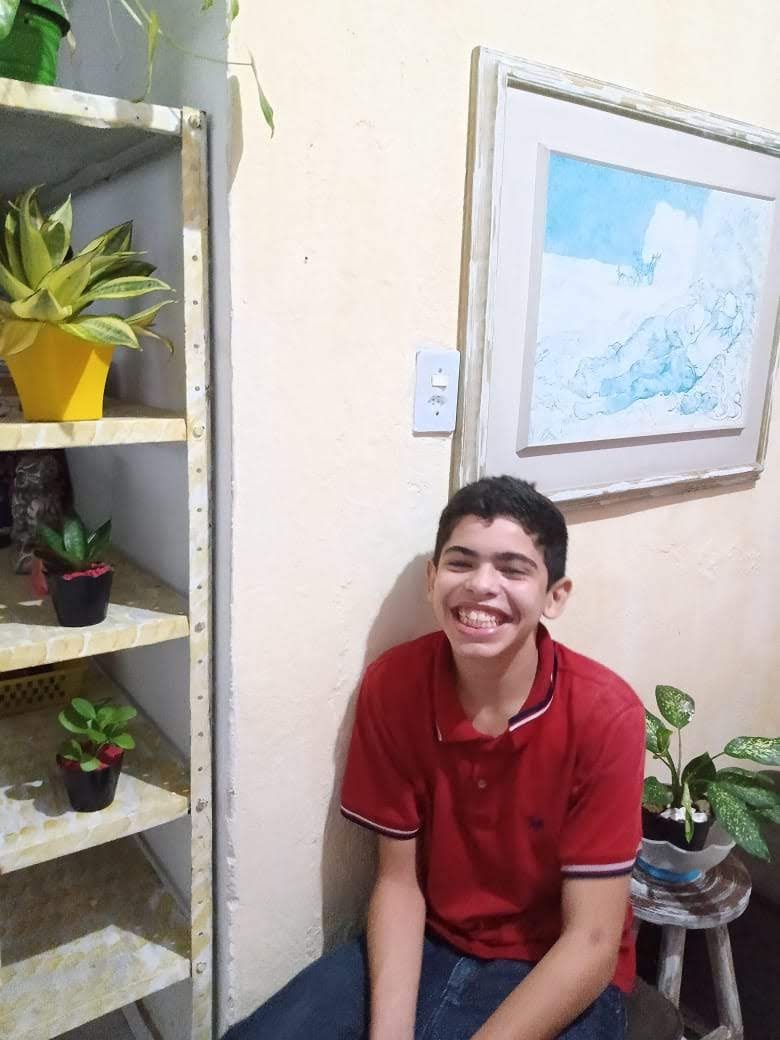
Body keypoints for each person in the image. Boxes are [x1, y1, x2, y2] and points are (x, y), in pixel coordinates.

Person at [225, 475, 645, 1040]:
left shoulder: (606, 715)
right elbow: (398, 883)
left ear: (555, 596)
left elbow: (591, 942)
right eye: (461, 563)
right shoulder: (394, 685)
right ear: (432, 579)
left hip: (553, 964)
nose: (481, 585)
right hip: (431, 941)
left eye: (513, 569)